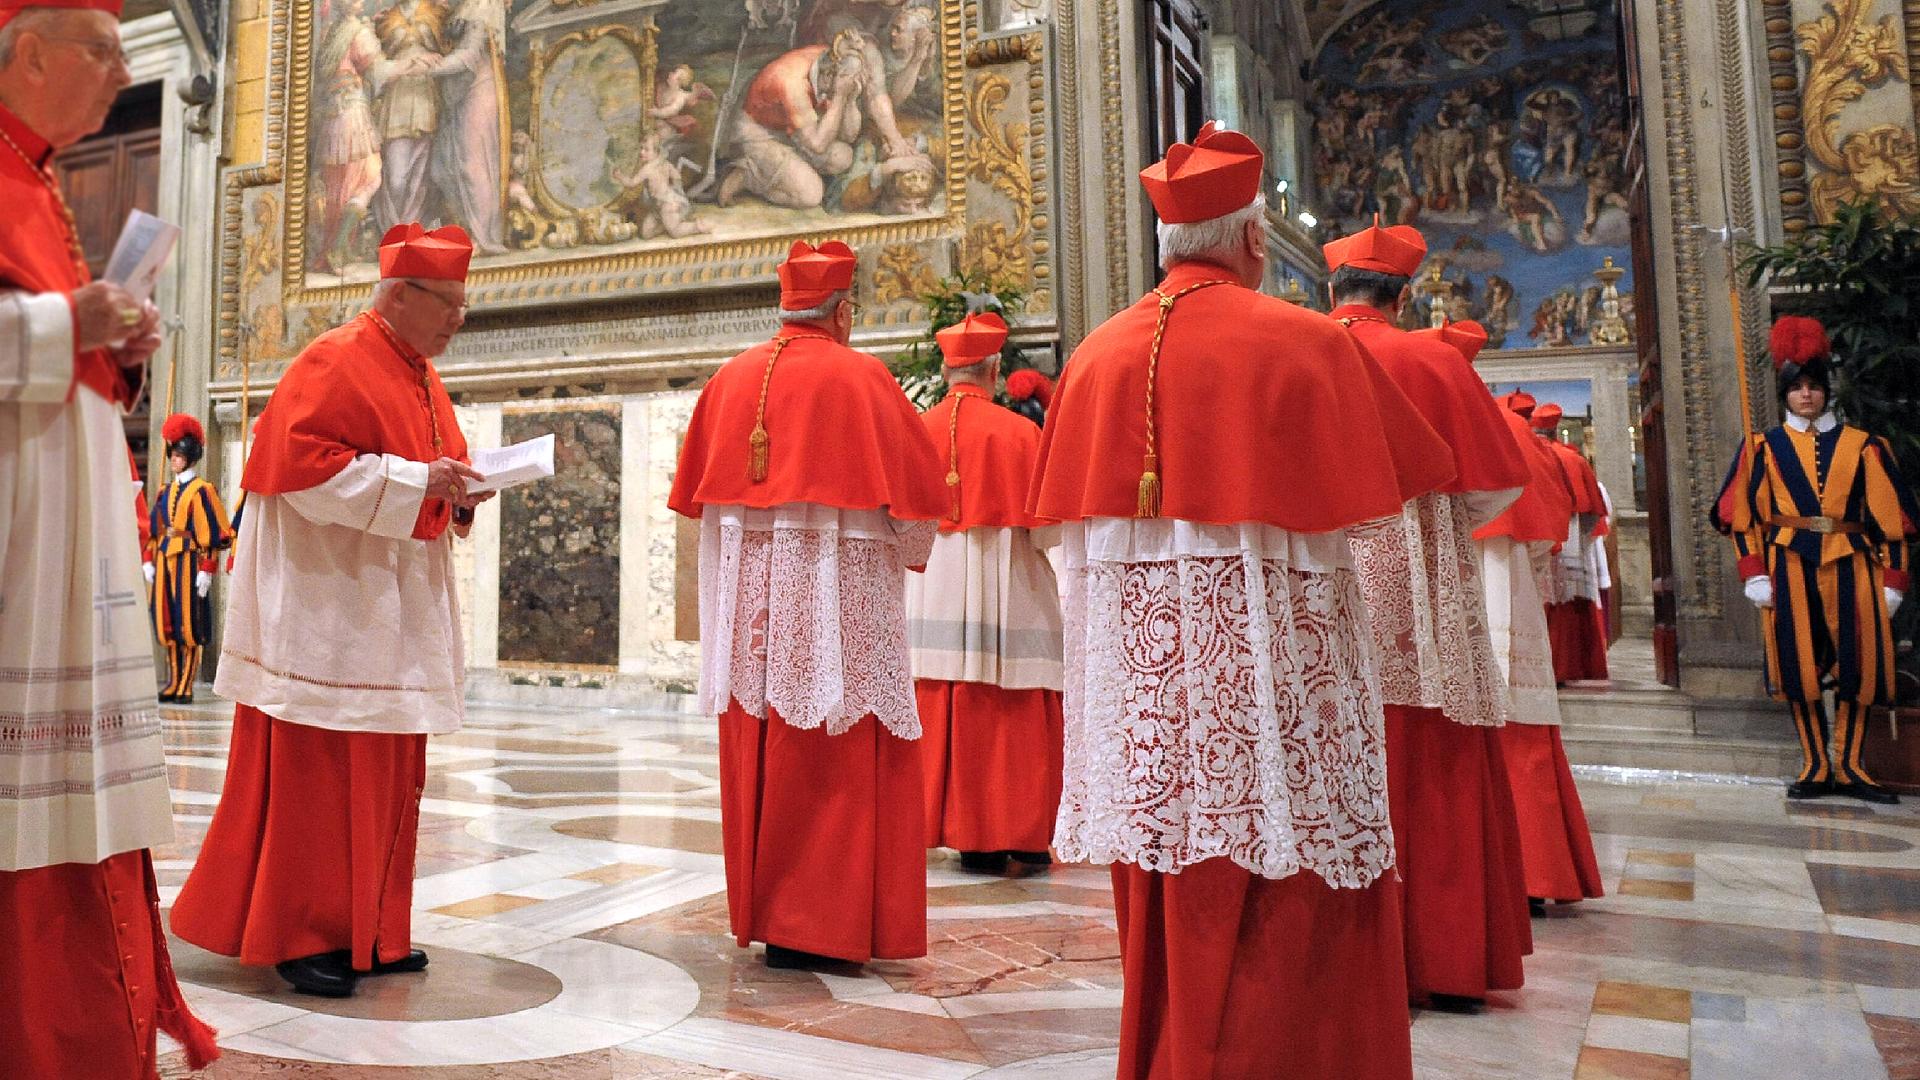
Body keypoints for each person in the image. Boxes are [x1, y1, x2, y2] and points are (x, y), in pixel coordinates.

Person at [1031, 121, 1454, 1080]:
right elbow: (1405, 494)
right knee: (1290, 873)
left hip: (1148, 709)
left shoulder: (1094, 359)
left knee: (1169, 869)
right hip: (1281, 696)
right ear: (1256, 239)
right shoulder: (1304, 342)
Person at [170, 223, 489, 998]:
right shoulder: (336, 358)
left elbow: (428, 468)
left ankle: (370, 931)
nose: (457, 319)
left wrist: (461, 490)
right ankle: (301, 933)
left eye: (462, 305)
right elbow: (304, 471)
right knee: (320, 782)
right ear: (398, 294)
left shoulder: (419, 374)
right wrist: (422, 484)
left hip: (385, 616)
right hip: (328, 619)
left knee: (388, 775)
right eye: (446, 303)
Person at [0, 0, 218, 1072]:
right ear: (29, 53)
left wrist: (116, 343)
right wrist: (57, 325)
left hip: (65, 521)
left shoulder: (38, 180)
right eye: (104, 50)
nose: (120, 70)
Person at [669, 240, 946, 968]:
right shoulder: (861, 378)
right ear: (844, 313)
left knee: (762, 741)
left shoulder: (729, 380)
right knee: (833, 748)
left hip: (750, 626)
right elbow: (916, 510)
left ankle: (771, 917)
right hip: (835, 614)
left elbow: (700, 506)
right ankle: (825, 925)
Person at [1327, 218, 1536, 1012]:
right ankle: (1442, 960)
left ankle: (1345, 963)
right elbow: (1495, 487)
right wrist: (1434, 525)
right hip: (1421, 586)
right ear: (1405, 293)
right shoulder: (1430, 358)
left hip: (1321, 585)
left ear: (1333, 288)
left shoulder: (1302, 347)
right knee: (1432, 756)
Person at [1712, 316, 1917, 804]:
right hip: (1788, 567)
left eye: (1814, 387)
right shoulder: (1761, 447)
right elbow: (1743, 520)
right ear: (1785, 392)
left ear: (1827, 391)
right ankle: (1815, 763)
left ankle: (1849, 765)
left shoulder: (1865, 446)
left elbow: (1893, 523)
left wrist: (1893, 582)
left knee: (1858, 665)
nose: (1806, 395)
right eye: (1797, 387)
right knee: (1798, 666)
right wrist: (1754, 574)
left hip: (1854, 566)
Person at [906, 310, 1063, 872]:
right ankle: (1021, 831)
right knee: (1013, 699)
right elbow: (1049, 528)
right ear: (995, 369)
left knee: (942, 695)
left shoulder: (915, 430)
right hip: (1009, 581)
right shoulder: (1021, 432)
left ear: (948, 370)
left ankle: (960, 831)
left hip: (929, 588)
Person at [1468, 382, 1603, 912]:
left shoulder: (1489, 428)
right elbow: (1553, 528)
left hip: (1474, 578)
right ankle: (1535, 868)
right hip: (1511, 579)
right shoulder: (1523, 440)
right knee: (1518, 721)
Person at [143, 413, 235, 703]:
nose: (174, 460)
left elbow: (213, 533)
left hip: (188, 563)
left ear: (190, 457)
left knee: (189, 624)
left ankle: (186, 684)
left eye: (179, 455)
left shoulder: (202, 491)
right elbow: (154, 529)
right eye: (173, 454)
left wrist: (207, 570)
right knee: (167, 621)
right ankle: (172, 682)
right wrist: (148, 558)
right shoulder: (164, 491)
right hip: (164, 561)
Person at [1529, 402, 1611, 683]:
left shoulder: (1529, 455)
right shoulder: (1574, 460)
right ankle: (1574, 667)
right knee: (1571, 600)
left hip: (1533, 541)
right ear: (1556, 430)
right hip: (1572, 540)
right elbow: (1593, 511)